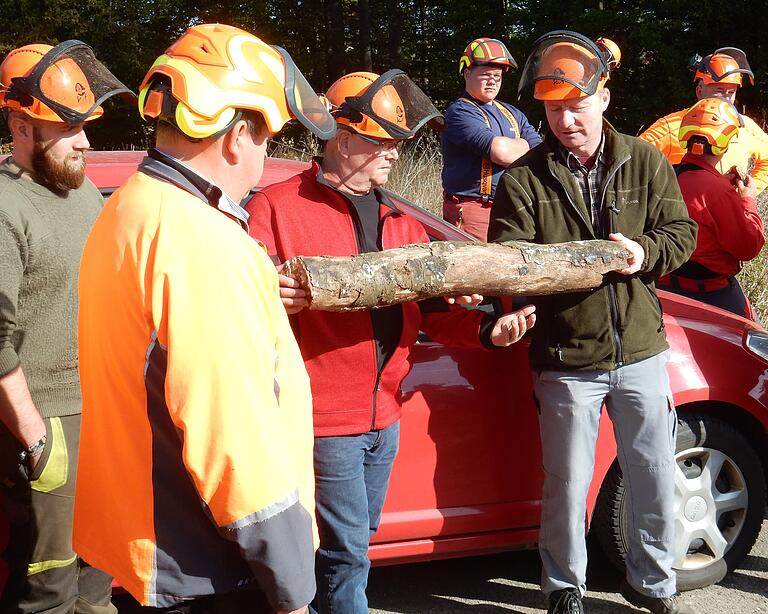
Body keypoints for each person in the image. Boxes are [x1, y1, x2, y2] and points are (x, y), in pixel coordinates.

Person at [245, 70, 536, 614]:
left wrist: (487, 332)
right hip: (324, 418)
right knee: (347, 552)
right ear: (341, 137)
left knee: (356, 541)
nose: (395, 155)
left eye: (399, 144)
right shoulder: (277, 209)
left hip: (385, 414)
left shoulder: (399, 218)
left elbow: (428, 314)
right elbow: (240, 310)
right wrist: (270, 295)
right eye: (383, 142)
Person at [73, 23, 336, 614]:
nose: (263, 157)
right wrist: (292, 581)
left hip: (151, 545)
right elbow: (231, 429)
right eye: (268, 139)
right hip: (209, 565)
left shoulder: (128, 210)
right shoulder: (203, 241)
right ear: (240, 135)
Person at [489, 31, 698, 614]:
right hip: (566, 360)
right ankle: (563, 588)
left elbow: (682, 235)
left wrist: (642, 254)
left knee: (653, 474)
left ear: (603, 98)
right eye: (553, 110)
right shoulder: (523, 179)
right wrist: (517, 308)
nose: (565, 120)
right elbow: (509, 263)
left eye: (575, 107)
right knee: (566, 483)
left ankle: (653, 583)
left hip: (640, 350)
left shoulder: (647, 159)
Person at [0, 40, 133, 614]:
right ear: (21, 125)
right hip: (47, 419)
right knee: (47, 589)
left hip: (102, 411)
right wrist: (32, 432)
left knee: (98, 578)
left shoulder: (81, 191)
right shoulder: (7, 205)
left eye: (85, 126)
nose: (85, 143)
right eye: (67, 129)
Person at [657, 97, 763, 318]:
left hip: (661, 286)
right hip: (710, 294)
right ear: (725, 141)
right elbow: (748, 247)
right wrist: (748, 200)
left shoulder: (663, 175)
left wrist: (720, 183)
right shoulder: (719, 192)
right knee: (752, 337)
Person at [440, 37, 543, 240]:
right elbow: (500, 152)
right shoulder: (460, 112)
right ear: (467, 73)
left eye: (497, 76)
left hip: (512, 207)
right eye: (486, 75)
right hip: (474, 210)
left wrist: (513, 146)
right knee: (474, 268)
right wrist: (522, 143)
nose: (493, 81)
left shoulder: (513, 113)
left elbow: (541, 151)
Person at [639, 47, 768, 193]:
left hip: (727, 212)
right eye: (719, 90)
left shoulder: (745, 126)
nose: (725, 98)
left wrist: (748, 192)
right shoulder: (673, 126)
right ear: (699, 91)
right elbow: (633, 160)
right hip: (683, 214)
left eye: (731, 92)